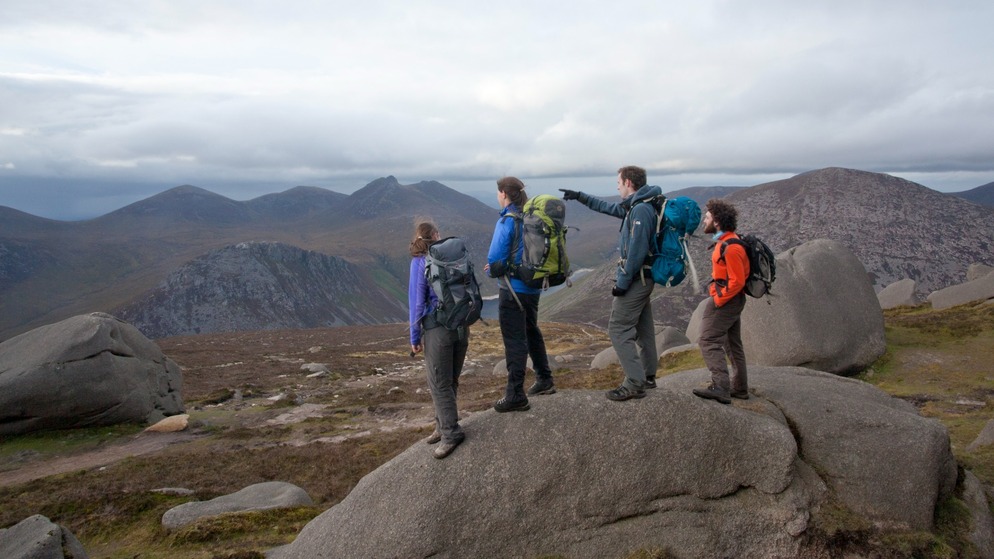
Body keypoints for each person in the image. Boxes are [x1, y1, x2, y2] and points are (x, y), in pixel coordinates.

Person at [560, 165, 660, 401]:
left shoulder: (641, 210)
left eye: (618, 181)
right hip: (643, 278)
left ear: (628, 182)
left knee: (618, 328)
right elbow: (606, 207)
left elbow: (636, 251)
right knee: (643, 329)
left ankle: (635, 382)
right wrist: (580, 196)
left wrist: (623, 282)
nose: (616, 185)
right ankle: (648, 376)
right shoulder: (635, 206)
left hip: (637, 278)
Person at [485, 176, 556, 413]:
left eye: (498, 192)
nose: (497, 196)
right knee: (531, 331)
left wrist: (494, 268)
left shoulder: (507, 221)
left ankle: (515, 394)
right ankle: (544, 379)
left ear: (504, 193)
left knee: (515, 341)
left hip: (511, 291)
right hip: (532, 287)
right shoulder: (529, 217)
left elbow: (495, 261)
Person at [409, 220, 467, 458]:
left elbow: (417, 303)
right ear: (435, 236)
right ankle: (441, 425)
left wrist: (414, 336)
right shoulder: (453, 258)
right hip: (461, 326)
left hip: (438, 328)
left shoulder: (419, 262)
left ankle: (451, 433)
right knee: (450, 380)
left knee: (439, 383)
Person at [691, 199, 749, 404]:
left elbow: (738, 281)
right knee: (732, 345)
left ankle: (721, 387)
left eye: (707, 217)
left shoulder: (731, 247)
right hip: (732, 300)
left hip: (727, 300)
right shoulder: (727, 241)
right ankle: (740, 388)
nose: (703, 221)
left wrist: (718, 299)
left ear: (716, 221)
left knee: (707, 340)